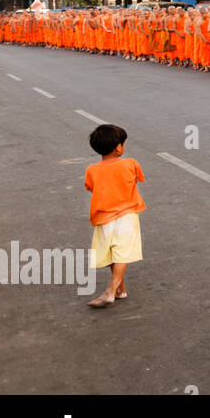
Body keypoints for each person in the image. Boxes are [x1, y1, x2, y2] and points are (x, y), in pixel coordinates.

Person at [83, 124, 146, 309]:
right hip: (126, 214)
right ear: (119, 147)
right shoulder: (130, 164)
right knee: (122, 251)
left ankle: (120, 289)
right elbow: (137, 178)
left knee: (112, 251)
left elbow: (90, 187)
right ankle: (112, 290)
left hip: (103, 217)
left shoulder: (91, 170)